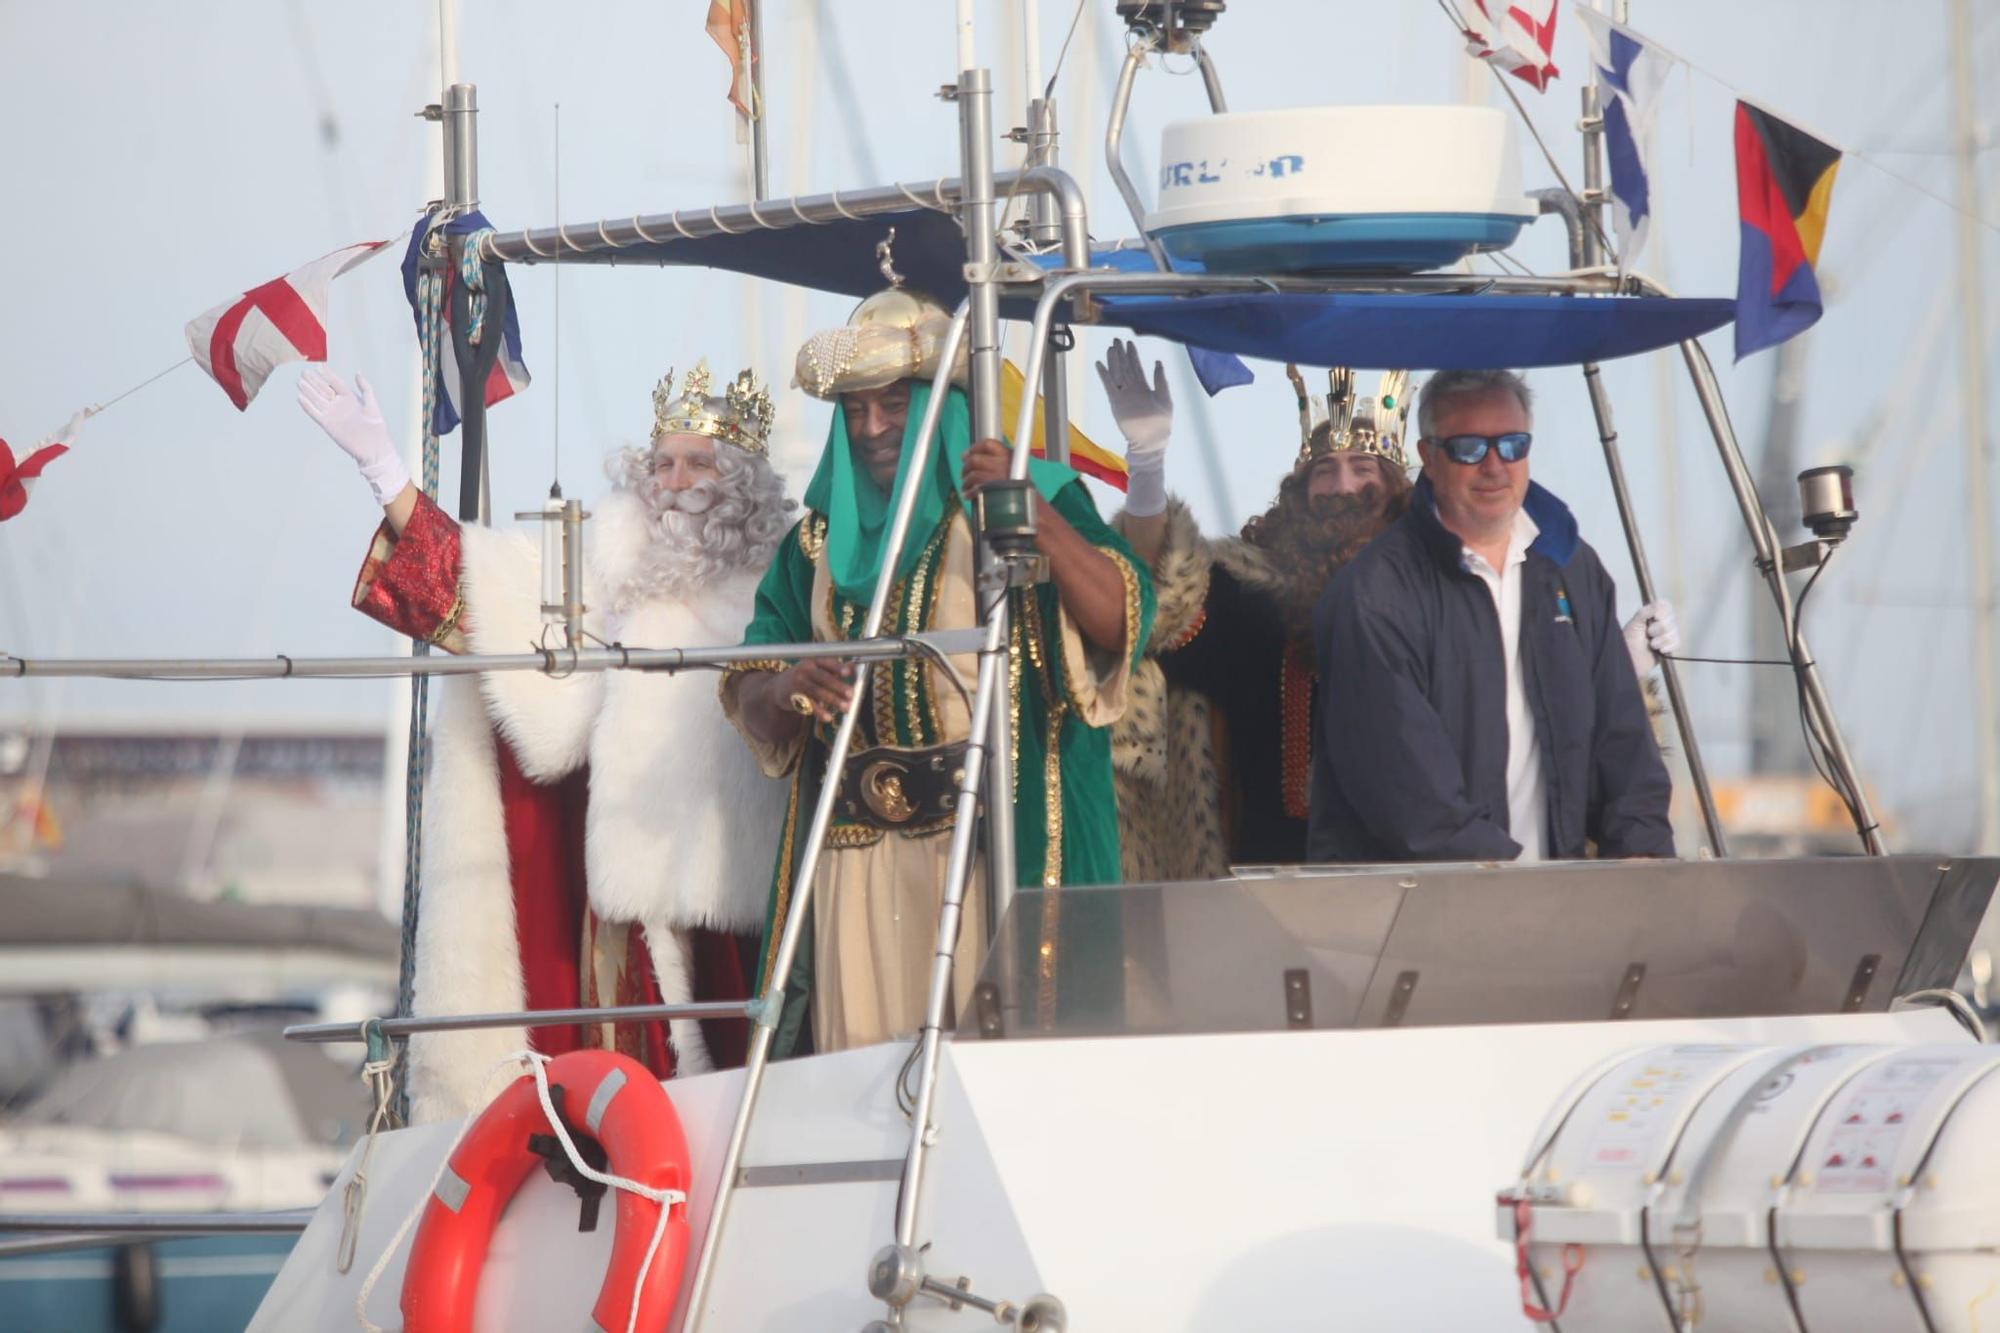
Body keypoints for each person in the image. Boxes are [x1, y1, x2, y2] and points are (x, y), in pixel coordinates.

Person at [299, 361, 792, 1121]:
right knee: (619, 1068)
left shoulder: (782, 581)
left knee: (744, 1069)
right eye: (662, 463)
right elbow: (476, 584)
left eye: (699, 462)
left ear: (740, 479)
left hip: (740, 893)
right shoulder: (597, 567)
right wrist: (384, 471)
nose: (677, 481)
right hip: (618, 903)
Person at [718, 286, 1155, 1056]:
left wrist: (1037, 520)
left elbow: (1124, 619)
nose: (875, 427)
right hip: (854, 869)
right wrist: (787, 687)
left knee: (996, 1092)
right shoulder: (813, 545)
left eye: (893, 403)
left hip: (994, 848)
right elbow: (752, 690)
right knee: (855, 1095)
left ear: (936, 402)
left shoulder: (1035, 501)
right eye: (855, 410)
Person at [1308, 367, 1676, 863]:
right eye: (1469, 448)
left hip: (1553, 910)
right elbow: (1413, 806)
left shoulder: (1572, 567)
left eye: (1512, 445)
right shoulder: (1375, 594)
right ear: (1429, 459)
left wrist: (1644, 861)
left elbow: (1625, 747)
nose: (1495, 466)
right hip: (1418, 914)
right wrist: (1518, 895)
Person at [1102, 343, 1414, 878]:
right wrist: (1147, 463)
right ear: (1299, 492)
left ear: (1396, 491)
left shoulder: (1437, 596)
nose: (1342, 487)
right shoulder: (1253, 599)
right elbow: (1160, 606)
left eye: (1363, 469)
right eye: (1325, 472)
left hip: (1418, 876)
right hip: (1266, 887)